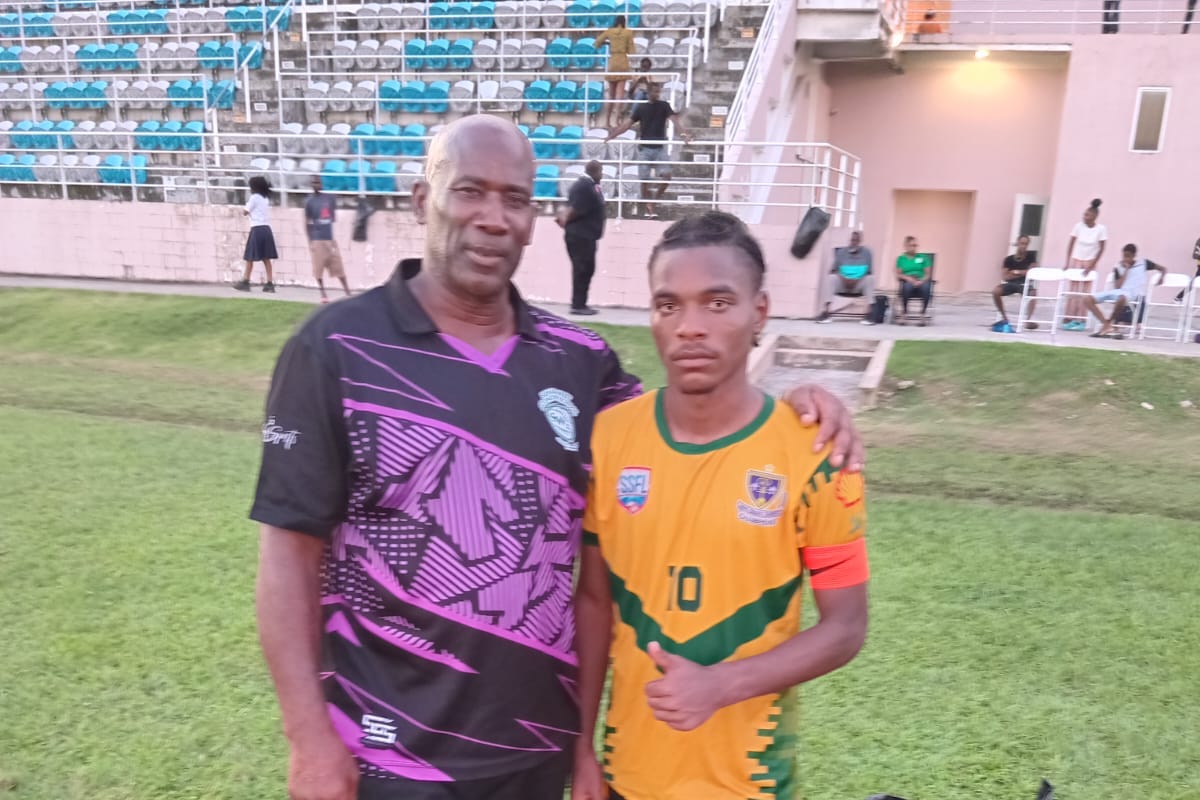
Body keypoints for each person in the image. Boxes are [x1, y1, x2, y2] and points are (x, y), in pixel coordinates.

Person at [251, 115, 864, 800]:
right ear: (423, 201)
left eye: (515, 198)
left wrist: (797, 402)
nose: (493, 217)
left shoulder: (578, 362)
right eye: (469, 192)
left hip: (536, 753)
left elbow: (691, 419)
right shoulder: (335, 349)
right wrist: (308, 739)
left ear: (535, 217)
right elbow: (288, 557)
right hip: (389, 755)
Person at [572, 212, 870, 800]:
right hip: (625, 776)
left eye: (716, 303)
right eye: (668, 305)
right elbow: (595, 600)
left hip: (749, 784)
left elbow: (846, 628)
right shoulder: (608, 441)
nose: (689, 327)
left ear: (758, 312)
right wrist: (581, 746)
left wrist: (721, 685)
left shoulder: (816, 452)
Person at [606, 83, 691, 219]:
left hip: (659, 148)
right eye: (655, 92)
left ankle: (653, 202)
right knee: (644, 181)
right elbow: (627, 125)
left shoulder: (664, 105)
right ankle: (648, 207)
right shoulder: (641, 107)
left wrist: (684, 134)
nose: (657, 95)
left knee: (667, 176)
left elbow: (675, 122)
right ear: (649, 93)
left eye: (659, 92)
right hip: (645, 149)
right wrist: (611, 136)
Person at [1082, 243, 1167, 338]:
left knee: (1121, 298)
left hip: (1134, 294)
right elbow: (1118, 286)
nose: (1126, 258)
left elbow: (1163, 268)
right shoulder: (1118, 267)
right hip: (1119, 291)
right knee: (1087, 299)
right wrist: (1126, 270)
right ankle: (1106, 325)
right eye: (1124, 256)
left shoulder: (1143, 263)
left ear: (1134, 255)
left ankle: (1108, 324)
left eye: (1128, 256)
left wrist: (1162, 277)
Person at [557, 160, 606, 316]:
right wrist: (565, 219)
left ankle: (581, 303)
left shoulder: (588, 185)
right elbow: (576, 209)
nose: (602, 175)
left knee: (587, 269)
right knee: (582, 269)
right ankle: (577, 305)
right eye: (601, 172)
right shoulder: (584, 186)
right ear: (595, 172)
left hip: (587, 236)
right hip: (580, 236)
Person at [1062, 198, 1107, 330]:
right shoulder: (1078, 226)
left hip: (1090, 262)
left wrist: (1092, 265)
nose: (1085, 217)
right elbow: (1071, 243)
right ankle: (1069, 317)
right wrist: (1067, 262)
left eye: (1088, 215)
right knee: (1074, 289)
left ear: (1095, 216)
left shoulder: (1101, 229)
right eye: (1084, 214)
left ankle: (1081, 320)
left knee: (1086, 292)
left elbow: (1102, 248)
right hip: (1077, 259)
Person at [306, 176, 351, 304]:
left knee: (338, 267)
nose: (316, 185)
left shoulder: (329, 199)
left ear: (322, 184)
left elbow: (332, 217)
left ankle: (347, 292)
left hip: (329, 239)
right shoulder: (309, 201)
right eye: (314, 183)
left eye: (318, 182)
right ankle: (323, 293)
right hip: (317, 239)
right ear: (311, 184)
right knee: (318, 270)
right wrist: (310, 241)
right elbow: (307, 222)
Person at [816, 230, 876, 325]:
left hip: (858, 284)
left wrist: (856, 280)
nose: (854, 242)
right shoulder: (841, 252)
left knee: (870, 279)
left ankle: (869, 314)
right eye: (852, 240)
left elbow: (869, 272)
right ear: (850, 240)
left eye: (856, 240)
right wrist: (844, 278)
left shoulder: (867, 253)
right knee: (831, 278)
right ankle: (826, 312)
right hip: (843, 282)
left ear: (860, 241)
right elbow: (833, 270)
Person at [234, 175, 278, 293]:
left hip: (256, 229)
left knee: (250, 257)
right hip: (266, 229)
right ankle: (269, 283)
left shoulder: (254, 198)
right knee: (266, 258)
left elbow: (245, 212)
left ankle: (246, 281)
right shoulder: (265, 198)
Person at [594, 16, 637, 129]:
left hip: (612, 62)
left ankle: (607, 121)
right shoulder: (628, 32)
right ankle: (616, 121)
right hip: (622, 61)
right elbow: (632, 50)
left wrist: (608, 44)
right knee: (619, 95)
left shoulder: (609, 31)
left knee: (611, 95)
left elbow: (597, 43)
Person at [992, 234, 1039, 331]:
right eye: (1021, 243)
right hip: (1010, 284)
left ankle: (1028, 321)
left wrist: (1015, 272)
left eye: (1026, 244)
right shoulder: (1008, 259)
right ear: (1017, 243)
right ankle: (1004, 317)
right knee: (996, 291)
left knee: (1033, 293)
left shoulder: (1031, 257)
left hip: (1024, 284)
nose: (1023, 246)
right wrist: (1023, 272)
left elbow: (1032, 272)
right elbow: (1005, 276)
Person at [894, 235, 932, 324]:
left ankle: (922, 314)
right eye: (912, 245)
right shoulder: (901, 259)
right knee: (906, 287)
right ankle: (904, 313)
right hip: (908, 280)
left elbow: (928, 274)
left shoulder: (922, 257)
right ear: (906, 246)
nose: (914, 248)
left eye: (916, 245)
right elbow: (899, 274)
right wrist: (908, 278)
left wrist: (921, 281)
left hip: (921, 280)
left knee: (927, 287)